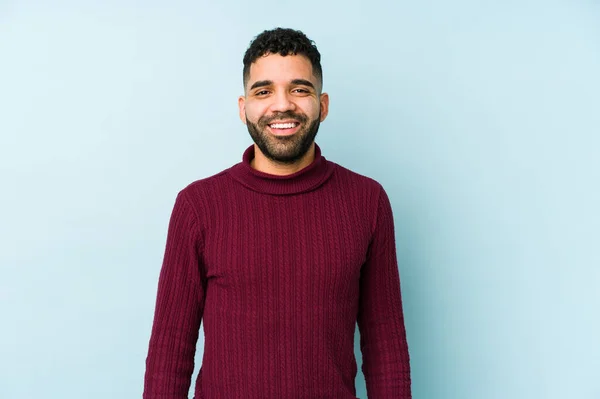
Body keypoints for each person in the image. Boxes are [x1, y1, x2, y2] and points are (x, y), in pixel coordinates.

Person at [143, 27, 411, 399]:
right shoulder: (198, 206)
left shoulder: (367, 201)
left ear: (324, 104)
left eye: (300, 89)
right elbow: (170, 351)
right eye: (264, 91)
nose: (282, 105)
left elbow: (386, 349)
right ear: (243, 108)